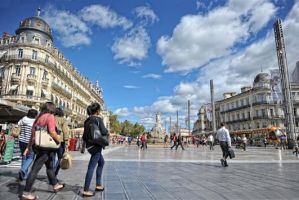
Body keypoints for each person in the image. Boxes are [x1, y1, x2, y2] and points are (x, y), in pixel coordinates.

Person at [21, 102, 64, 200]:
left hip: (38, 145)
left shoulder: (38, 118)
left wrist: (28, 147)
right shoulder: (50, 116)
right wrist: (59, 140)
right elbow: (52, 132)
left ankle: (55, 184)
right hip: (46, 147)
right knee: (35, 169)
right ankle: (26, 193)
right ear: (52, 108)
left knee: (49, 166)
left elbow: (32, 134)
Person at [81, 103, 108, 197]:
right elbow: (104, 131)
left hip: (89, 146)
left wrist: (83, 147)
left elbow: (84, 136)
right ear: (98, 111)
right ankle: (86, 189)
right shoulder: (98, 119)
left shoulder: (87, 120)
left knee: (101, 163)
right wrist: (106, 131)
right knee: (91, 167)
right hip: (96, 146)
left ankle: (98, 184)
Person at [18, 109, 38, 181]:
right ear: (35, 115)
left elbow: (18, 127)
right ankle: (23, 170)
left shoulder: (22, 120)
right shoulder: (35, 122)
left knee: (24, 156)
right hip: (30, 142)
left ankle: (24, 175)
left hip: (21, 141)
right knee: (31, 157)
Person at [53, 107, 69, 176]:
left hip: (51, 140)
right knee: (60, 158)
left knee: (52, 158)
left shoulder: (51, 118)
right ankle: (54, 174)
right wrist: (66, 140)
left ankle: (51, 173)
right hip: (60, 141)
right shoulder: (63, 119)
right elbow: (65, 131)